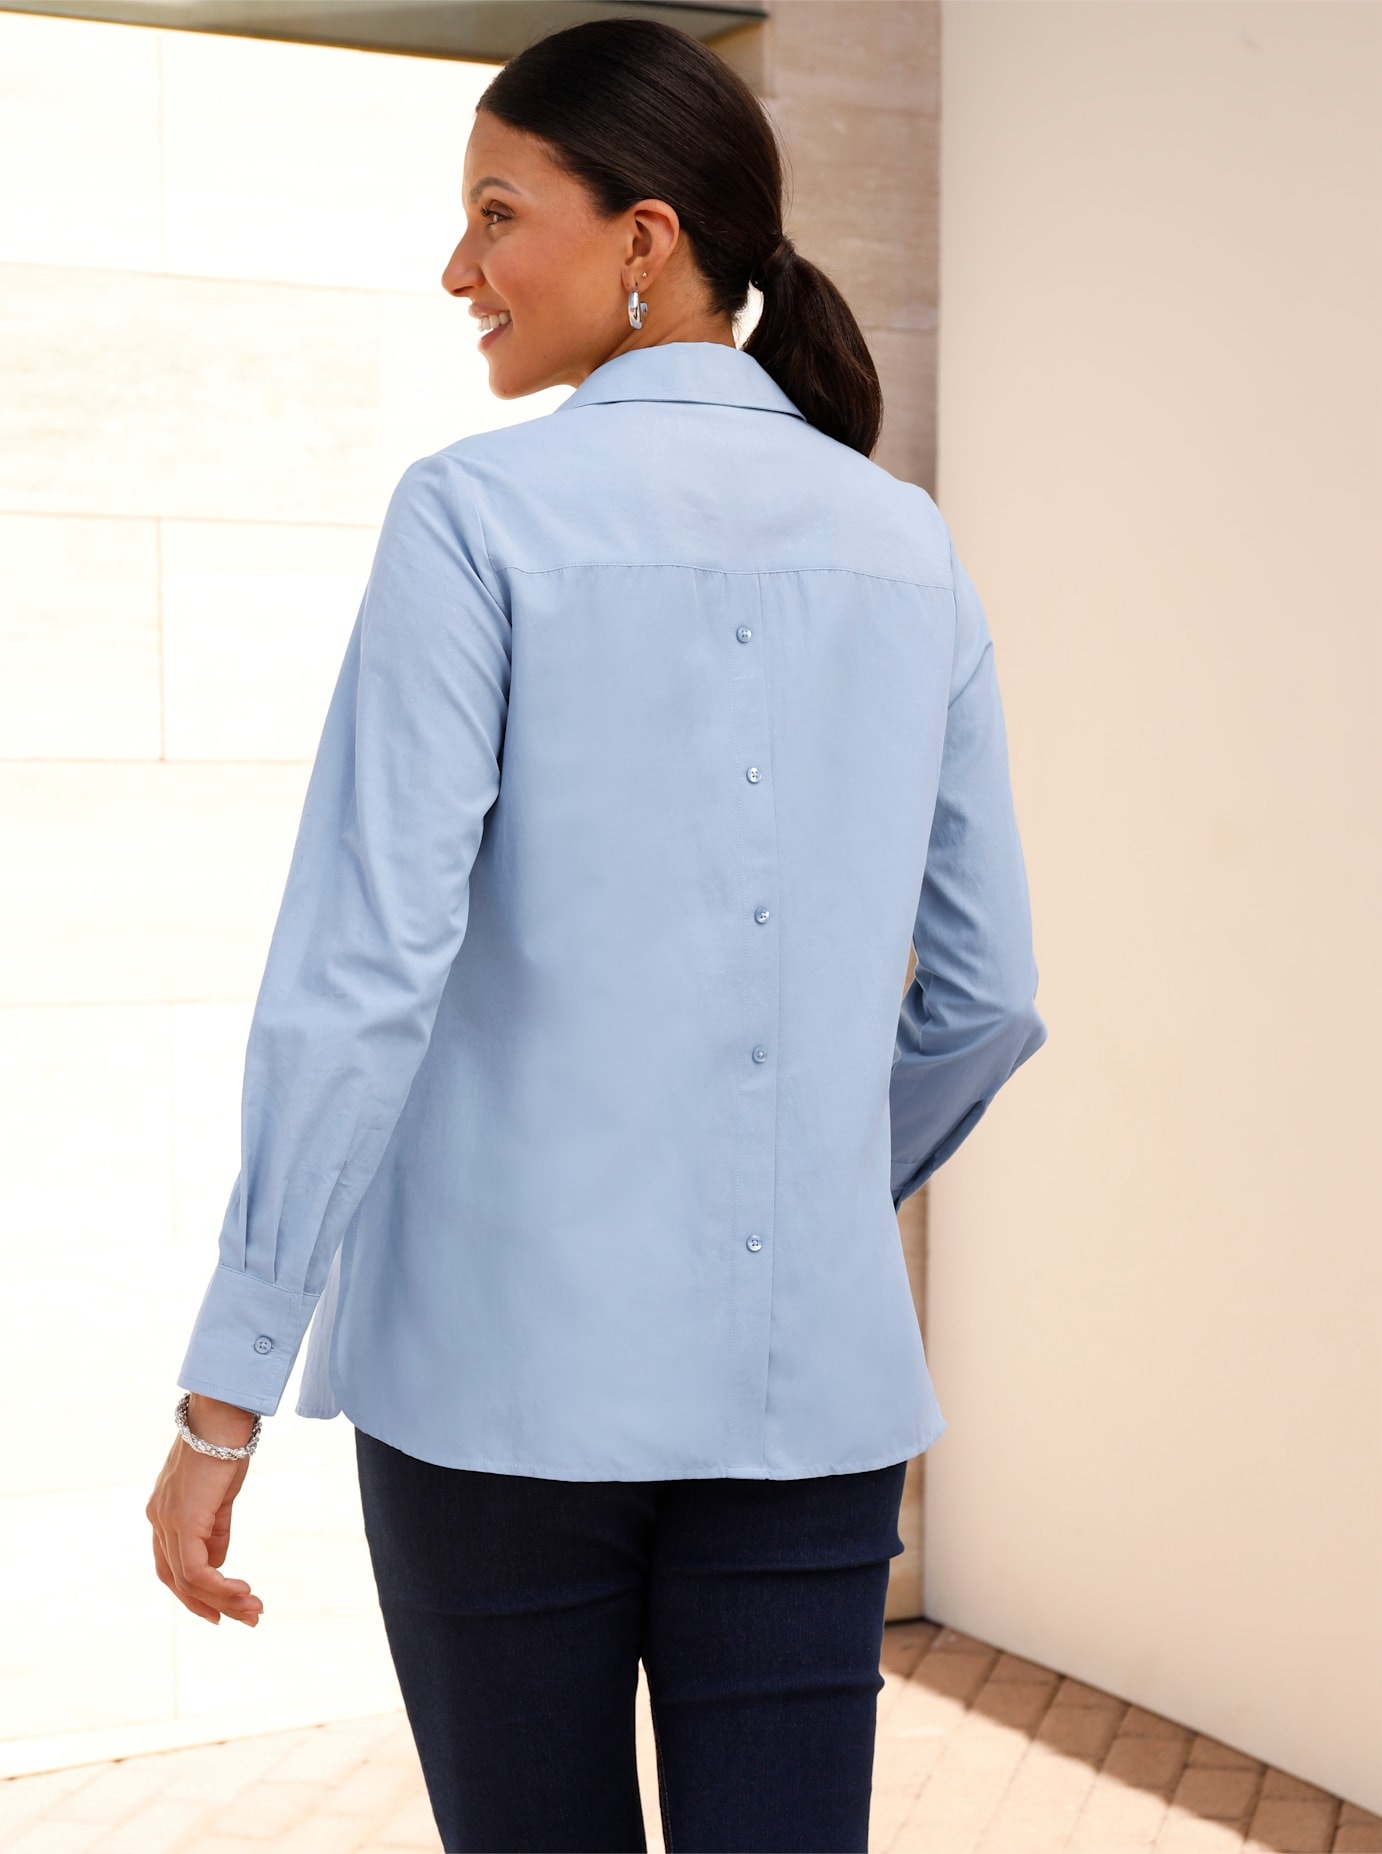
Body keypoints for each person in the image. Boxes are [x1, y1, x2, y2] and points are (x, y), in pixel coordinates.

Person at [145, 17, 1048, 1852]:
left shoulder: (473, 518)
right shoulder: (907, 545)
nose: (457, 267)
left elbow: (361, 974)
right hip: (811, 1394)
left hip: (494, 1385)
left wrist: (227, 1385)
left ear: (646, 238)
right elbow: (987, 998)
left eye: (497, 211)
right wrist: (798, 1185)